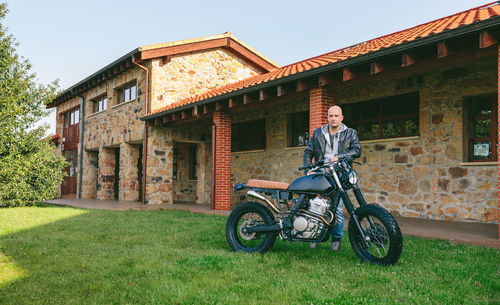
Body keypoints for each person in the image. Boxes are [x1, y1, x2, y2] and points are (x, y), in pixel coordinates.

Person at [303, 105, 361, 251]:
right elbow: (308, 152)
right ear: (327, 118)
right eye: (331, 116)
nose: (333, 118)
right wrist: (309, 170)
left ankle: (336, 239)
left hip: (339, 175)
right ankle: (313, 236)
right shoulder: (318, 133)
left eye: (336, 116)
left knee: (338, 210)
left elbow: (356, 150)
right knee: (315, 207)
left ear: (341, 118)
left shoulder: (350, 133)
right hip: (320, 175)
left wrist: (339, 157)